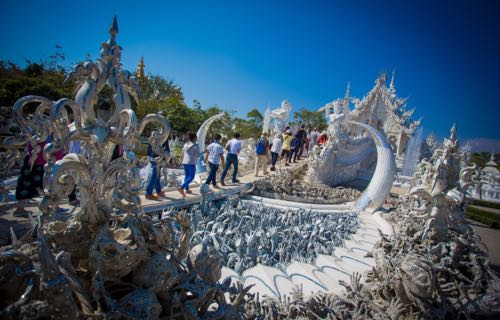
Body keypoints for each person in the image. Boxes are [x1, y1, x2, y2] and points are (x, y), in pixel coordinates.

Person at [178, 132, 199, 197]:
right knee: (191, 177)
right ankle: (182, 187)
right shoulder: (196, 145)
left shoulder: (185, 145)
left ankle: (187, 189)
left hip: (185, 162)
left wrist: (181, 161)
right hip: (191, 162)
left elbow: (182, 154)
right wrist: (204, 152)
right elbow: (197, 155)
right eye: (196, 137)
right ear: (195, 138)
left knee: (187, 176)